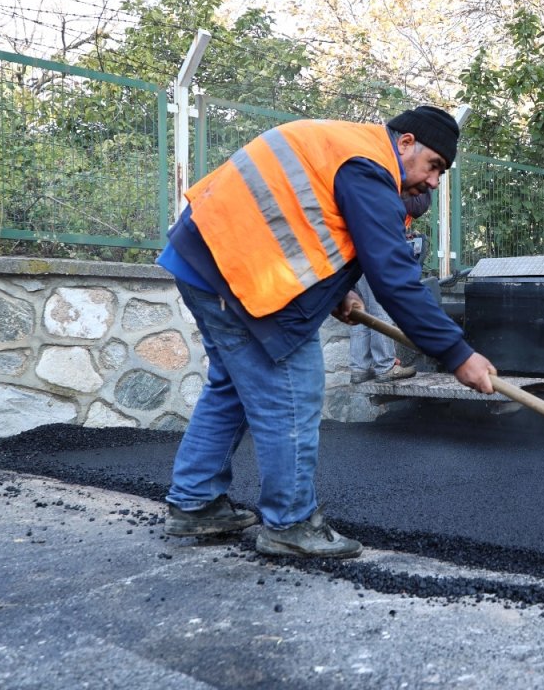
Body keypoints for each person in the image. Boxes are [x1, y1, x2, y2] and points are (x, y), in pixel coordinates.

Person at [156, 105, 497, 559]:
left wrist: (341, 292)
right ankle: (290, 522)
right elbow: (394, 278)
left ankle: (195, 504)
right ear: (407, 142)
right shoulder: (369, 166)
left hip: (202, 258)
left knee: (231, 388)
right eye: (435, 165)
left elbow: (310, 223)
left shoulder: (347, 148)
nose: (436, 180)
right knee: (295, 392)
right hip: (238, 274)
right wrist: (457, 354)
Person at [348, 189, 431, 384]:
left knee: (362, 311)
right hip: (376, 252)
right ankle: (385, 366)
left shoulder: (379, 188)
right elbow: (416, 206)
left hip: (358, 251)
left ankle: (359, 368)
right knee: (380, 309)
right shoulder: (401, 185)